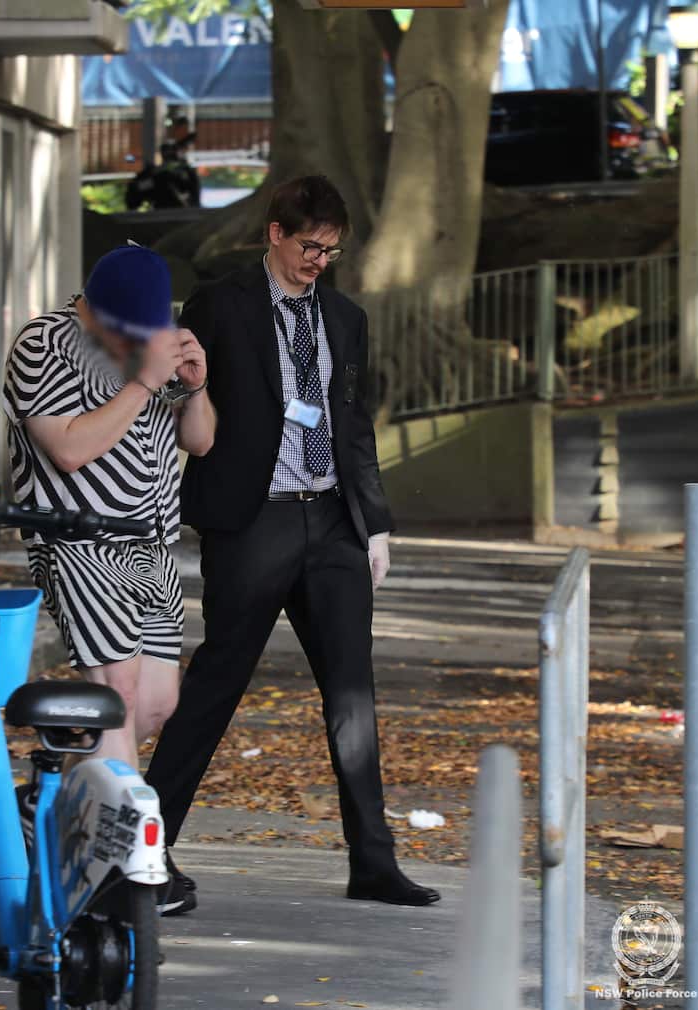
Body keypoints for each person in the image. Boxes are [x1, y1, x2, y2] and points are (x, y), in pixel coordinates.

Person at [145, 176, 440, 915]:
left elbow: (354, 420)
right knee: (217, 682)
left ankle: (373, 861)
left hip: (333, 521)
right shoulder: (221, 302)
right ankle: (144, 841)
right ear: (275, 233)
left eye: (332, 251)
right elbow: (183, 396)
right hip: (254, 519)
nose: (320, 261)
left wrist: (375, 522)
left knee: (352, 694)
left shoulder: (344, 317)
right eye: (310, 246)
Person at [3, 245, 216, 893]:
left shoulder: (155, 338)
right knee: (117, 693)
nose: (134, 340)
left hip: (152, 545)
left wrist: (198, 385)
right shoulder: (42, 344)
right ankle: (130, 859)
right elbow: (68, 449)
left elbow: (200, 440)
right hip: (77, 540)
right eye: (124, 329)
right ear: (92, 309)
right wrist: (145, 381)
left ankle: (48, 801)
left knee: (155, 704)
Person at [125, 141, 201, 211]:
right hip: (166, 214)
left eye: (171, 151)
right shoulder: (155, 176)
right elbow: (135, 193)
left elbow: (134, 194)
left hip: (173, 214)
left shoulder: (185, 173)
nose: (169, 153)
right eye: (168, 151)